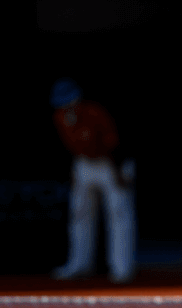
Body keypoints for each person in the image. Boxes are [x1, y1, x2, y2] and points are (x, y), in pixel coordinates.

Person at [49, 77, 135, 283]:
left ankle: (121, 268)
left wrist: (120, 172)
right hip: (83, 163)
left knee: (118, 213)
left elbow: (115, 145)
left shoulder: (95, 113)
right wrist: (75, 169)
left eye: (71, 102)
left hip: (110, 163)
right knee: (79, 212)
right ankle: (79, 264)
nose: (68, 108)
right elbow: (71, 147)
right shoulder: (59, 117)